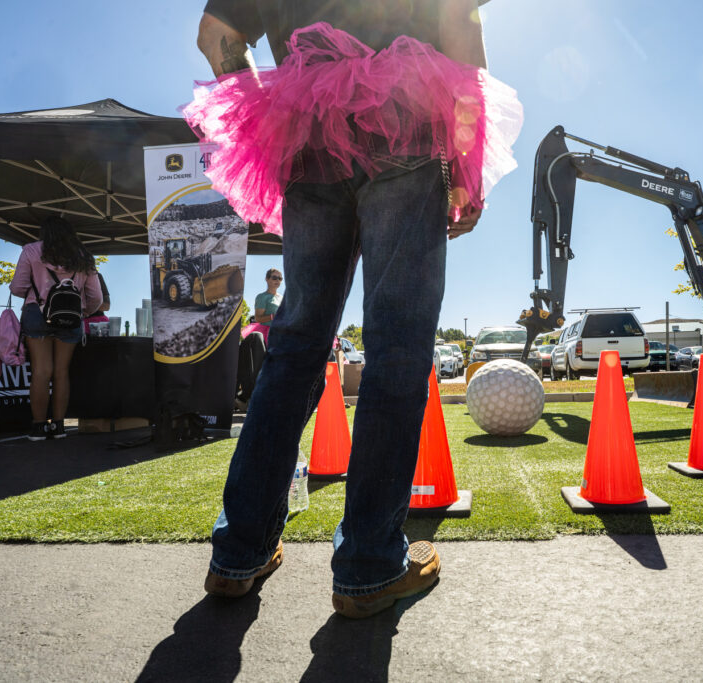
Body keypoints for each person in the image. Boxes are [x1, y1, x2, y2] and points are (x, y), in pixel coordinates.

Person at [187, 0, 521, 617]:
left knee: (294, 345)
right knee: (397, 347)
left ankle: (239, 554)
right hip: (407, 127)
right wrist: (467, 170)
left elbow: (216, 36)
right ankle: (369, 566)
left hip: (309, 136)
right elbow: (460, 33)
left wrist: (275, 109)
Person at [10, 217, 103, 441]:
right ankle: (59, 426)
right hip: (71, 318)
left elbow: (17, 287)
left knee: (41, 371)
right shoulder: (83, 256)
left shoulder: (31, 250)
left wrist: (36, 292)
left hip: (37, 313)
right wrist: (84, 311)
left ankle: (39, 427)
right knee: (62, 372)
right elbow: (96, 297)